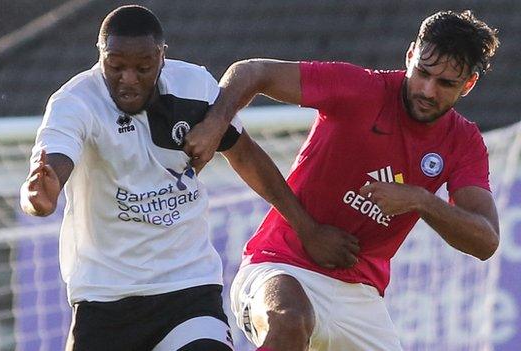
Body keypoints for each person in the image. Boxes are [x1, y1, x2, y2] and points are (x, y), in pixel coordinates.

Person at [19, 5, 358, 351]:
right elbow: (52, 165)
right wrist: (40, 197)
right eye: (116, 66)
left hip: (188, 289)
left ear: (162, 56)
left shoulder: (193, 87)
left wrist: (308, 229)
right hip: (104, 299)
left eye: (143, 67)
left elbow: (246, 155)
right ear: (100, 55)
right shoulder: (75, 102)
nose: (129, 79)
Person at [183, 10, 501, 351]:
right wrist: (217, 122)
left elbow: (486, 240)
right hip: (280, 264)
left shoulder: (464, 142)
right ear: (410, 56)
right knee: (289, 319)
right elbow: (252, 71)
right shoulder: (360, 89)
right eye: (422, 72)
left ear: (468, 84)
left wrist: (420, 200)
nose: (426, 89)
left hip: (359, 296)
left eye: (446, 84)